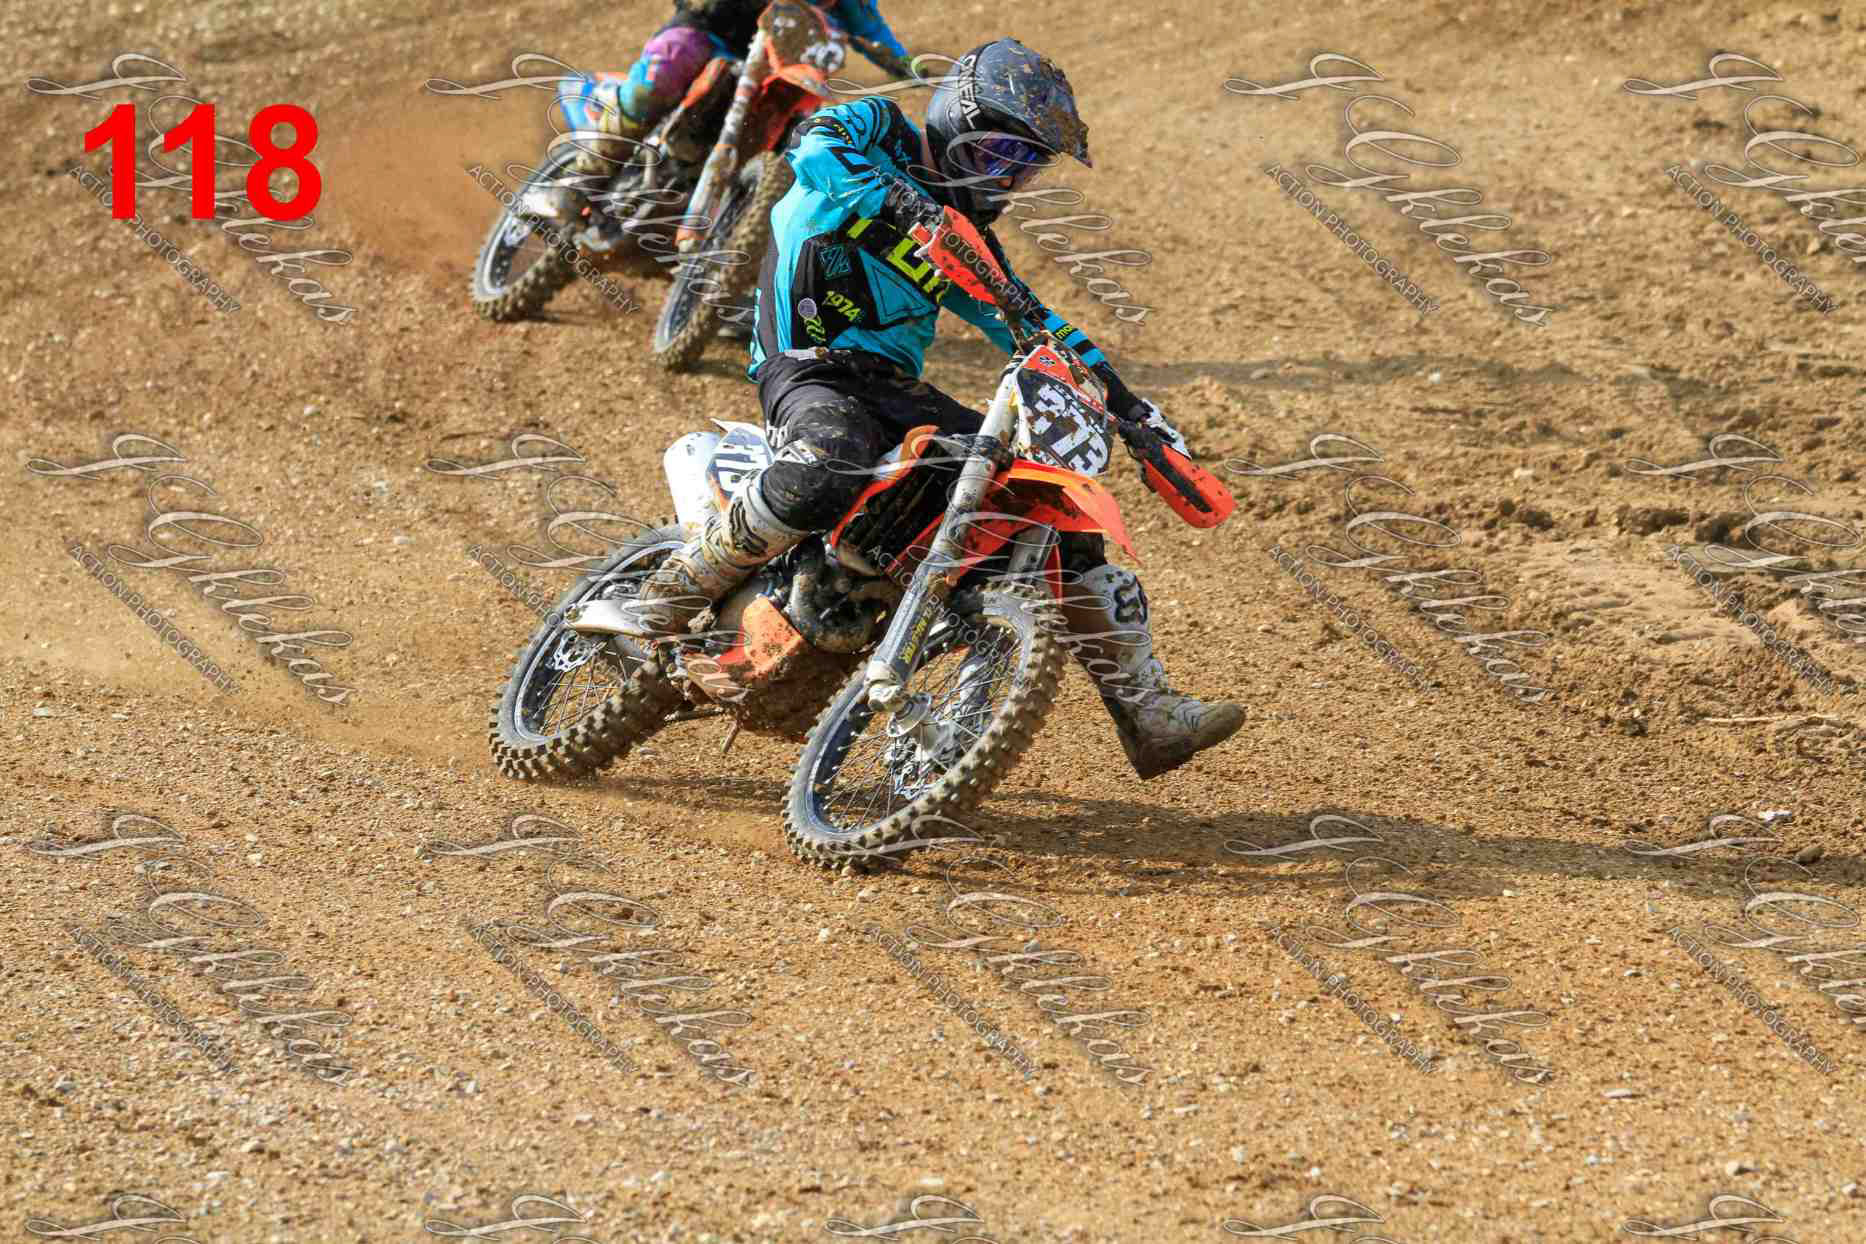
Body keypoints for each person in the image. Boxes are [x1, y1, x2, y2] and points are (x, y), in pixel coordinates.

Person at [617, 38, 1243, 779]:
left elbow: (1030, 320)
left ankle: (1145, 711)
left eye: (1024, 166)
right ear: (954, 119)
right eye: (997, 153)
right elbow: (811, 144)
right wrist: (902, 201)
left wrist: (1132, 411)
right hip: (808, 363)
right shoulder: (880, 131)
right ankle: (673, 589)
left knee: (1042, 506)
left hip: (893, 386)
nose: (1004, 178)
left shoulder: (968, 241)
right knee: (830, 458)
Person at [569, 0, 913, 178]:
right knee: (655, 85)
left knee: (797, 135)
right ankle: (585, 175)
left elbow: (870, 30)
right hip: (710, 34)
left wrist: (914, 67)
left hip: (777, 69)